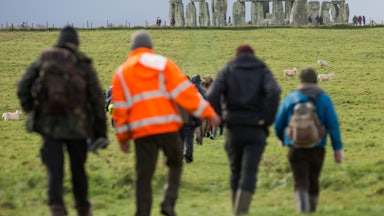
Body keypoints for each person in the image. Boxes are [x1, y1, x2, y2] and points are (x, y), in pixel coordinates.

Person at [111, 30, 221, 216]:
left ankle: (142, 212)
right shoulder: (164, 65)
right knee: (175, 162)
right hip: (167, 127)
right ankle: (168, 202)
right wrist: (209, 113)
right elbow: (186, 94)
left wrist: (122, 137)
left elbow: (120, 109)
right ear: (151, 47)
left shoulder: (122, 72)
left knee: (143, 174)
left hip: (142, 131)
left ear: (132, 48)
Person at [17, 26, 107, 216]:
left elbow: (23, 86)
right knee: (78, 169)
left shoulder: (45, 58)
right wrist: (100, 132)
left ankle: (56, 208)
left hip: (50, 125)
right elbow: (98, 100)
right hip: (79, 128)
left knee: (54, 170)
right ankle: (83, 207)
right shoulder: (82, 63)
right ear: (76, 42)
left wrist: (32, 110)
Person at [206, 45, 281, 215]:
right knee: (249, 172)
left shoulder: (228, 69)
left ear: (237, 55)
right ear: (252, 55)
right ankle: (241, 211)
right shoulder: (262, 69)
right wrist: (267, 119)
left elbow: (211, 95)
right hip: (256, 128)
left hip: (233, 128)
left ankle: (236, 210)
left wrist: (219, 116)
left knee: (235, 170)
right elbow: (274, 92)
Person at [274, 67, 344, 213]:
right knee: (313, 179)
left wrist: (282, 138)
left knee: (300, 181)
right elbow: (333, 124)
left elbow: (279, 123)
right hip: (317, 147)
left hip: (295, 146)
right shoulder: (324, 98)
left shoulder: (291, 97)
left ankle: (303, 209)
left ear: (300, 79)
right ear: (315, 80)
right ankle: (311, 209)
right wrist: (337, 149)